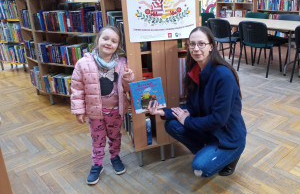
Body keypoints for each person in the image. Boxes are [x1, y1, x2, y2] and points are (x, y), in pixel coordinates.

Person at [148, 26, 246, 177]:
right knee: (172, 124)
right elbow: (191, 107)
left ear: (211, 46)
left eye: (201, 44)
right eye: (192, 44)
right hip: (209, 131)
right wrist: (163, 112)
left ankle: (230, 155)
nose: (196, 48)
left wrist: (187, 122)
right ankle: (209, 151)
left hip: (228, 137)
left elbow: (219, 119)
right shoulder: (195, 71)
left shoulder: (223, 76)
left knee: (200, 168)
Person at [70, 26, 134, 185]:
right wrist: (79, 110)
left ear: (117, 46)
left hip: (115, 111)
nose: (109, 43)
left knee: (115, 136)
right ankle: (97, 164)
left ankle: (115, 157)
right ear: (97, 40)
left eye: (114, 41)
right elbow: (76, 88)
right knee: (97, 139)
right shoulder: (83, 63)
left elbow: (127, 88)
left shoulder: (122, 63)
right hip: (95, 112)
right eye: (105, 39)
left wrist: (128, 78)